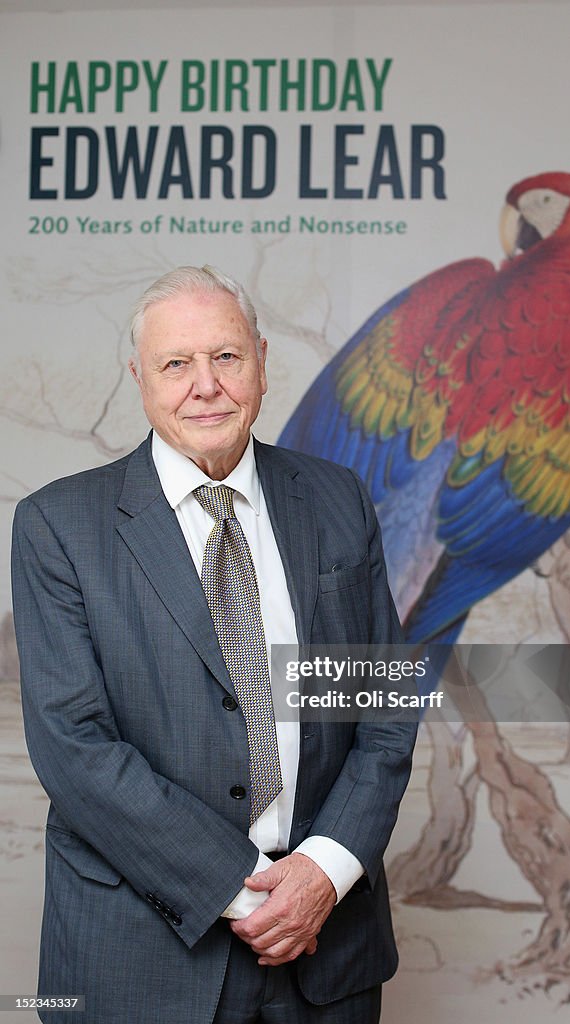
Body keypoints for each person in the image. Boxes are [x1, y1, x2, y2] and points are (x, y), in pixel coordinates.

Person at [11, 265, 417, 1024]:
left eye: (225, 357)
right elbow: (75, 748)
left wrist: (323, 873)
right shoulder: (57, 527)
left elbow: (382, 709)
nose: (205, 385)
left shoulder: (337, 500)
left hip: (326, 953)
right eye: (176, 363)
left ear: (261, 360)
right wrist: (246, 891)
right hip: (140, 956)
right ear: (139, 377)